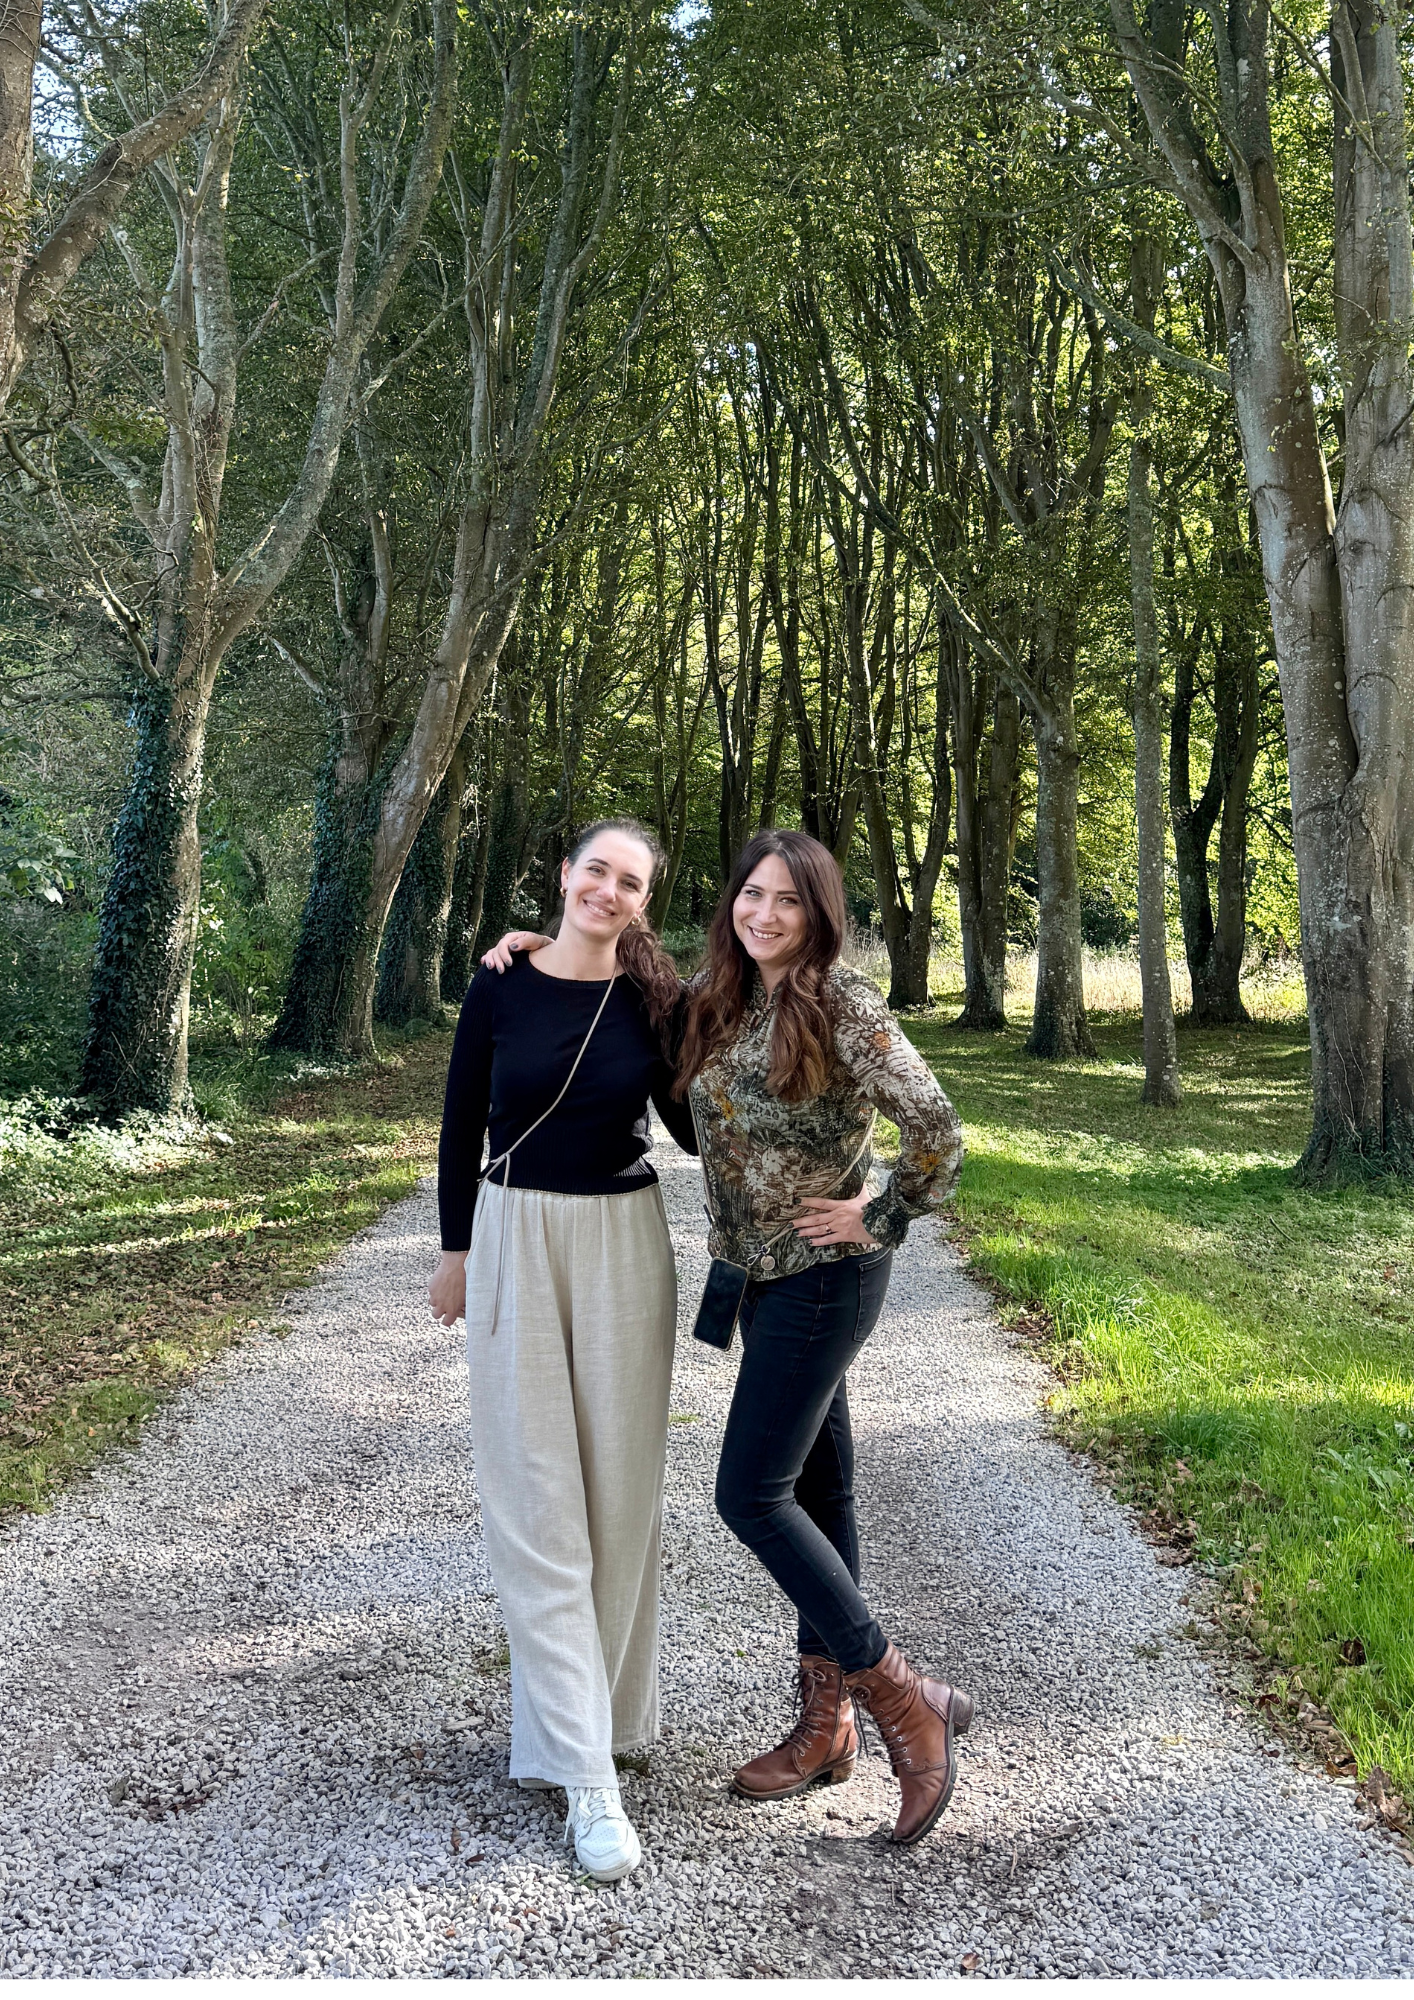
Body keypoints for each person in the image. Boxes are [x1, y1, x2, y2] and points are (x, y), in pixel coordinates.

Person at [488, 828, 971, 1847]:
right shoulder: (722, 994)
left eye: (787, 902)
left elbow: (938, 1128)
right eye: (752, 894)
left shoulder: (841, 1003)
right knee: (822, 1489)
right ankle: (824, 1725)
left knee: (749, 1492)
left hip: (823, 1278)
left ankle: (898, 1694)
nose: (765, 914)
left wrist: (876, 1213)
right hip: (759, 1281)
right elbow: (623, 975)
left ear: (818, 914)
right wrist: (535, 944)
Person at [429, 818, 696, 1883]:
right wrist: (454, 1251)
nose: (610, 890)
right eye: (598, 869)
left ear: (642, 901)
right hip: (513, 1233)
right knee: (536, 1499)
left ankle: (609, 1718)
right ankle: (587, 1773)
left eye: (630, 882)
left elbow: (692, 1125)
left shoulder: (654, 1001)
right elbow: (459, 1121)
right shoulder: (501, 978)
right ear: (565, 874)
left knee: (622, 1496)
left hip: (626, 1246)